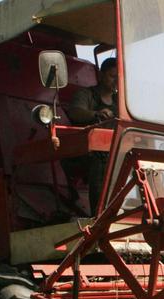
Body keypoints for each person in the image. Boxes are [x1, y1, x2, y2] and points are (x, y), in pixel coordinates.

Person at [63, 57, 118, 216]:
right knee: (101, 158)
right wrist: (95, 114)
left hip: (112, 150)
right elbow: (75, 112)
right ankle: (99, 214)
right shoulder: (86, 94)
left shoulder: (120, 101)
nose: (115, 81)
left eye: (118, 78)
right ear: (100, 75)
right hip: (82, 152)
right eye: (112, 76)